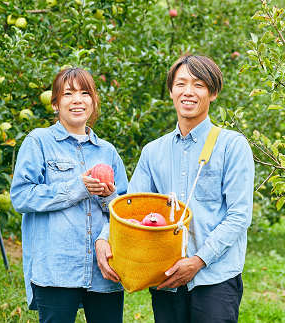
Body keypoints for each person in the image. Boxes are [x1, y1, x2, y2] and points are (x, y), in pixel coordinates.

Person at [96, 54, 254, 323]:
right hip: (166, 273)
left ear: (213, 93)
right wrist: (103, 238)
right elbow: (128, 209)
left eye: (199, 85)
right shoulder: (153, 152)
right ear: (171, 91)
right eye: (181, 84)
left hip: (215, 277)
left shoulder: (232, 145)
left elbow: (239, 215)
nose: (188, 92)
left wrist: (198, 261)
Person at [10, 67, 128, 323]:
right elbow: (21, 197)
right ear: (55, 102)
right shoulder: (38, 141)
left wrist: (109, 198)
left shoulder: (107, 152)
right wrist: (77, 188)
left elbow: (125, 212)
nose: (78, 100)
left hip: (103, 268)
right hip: (57, 267)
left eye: (85, 93)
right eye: (68, 93)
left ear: (94, 101)